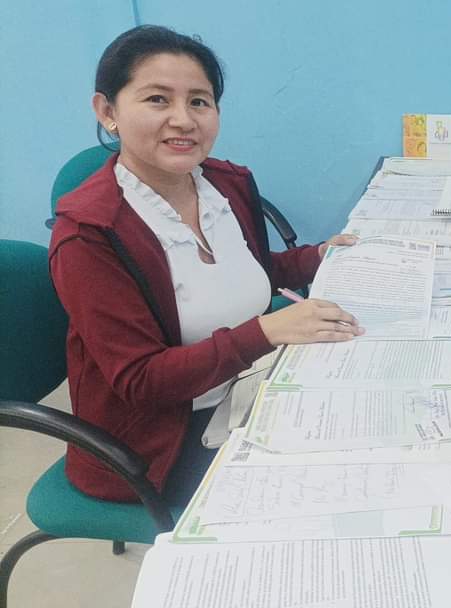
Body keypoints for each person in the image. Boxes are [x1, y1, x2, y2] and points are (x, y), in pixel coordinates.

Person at [48, 25, 362, 504]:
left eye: (199, 101)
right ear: (108, 112)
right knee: (331, 492)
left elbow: (250, 271)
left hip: (249, 386)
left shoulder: (224, 183)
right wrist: (267, 332)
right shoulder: (89, 234)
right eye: (157, 99)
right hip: (159, 443)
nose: (183, 120)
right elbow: (141, 380)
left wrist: (319, 257)